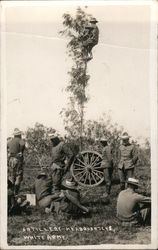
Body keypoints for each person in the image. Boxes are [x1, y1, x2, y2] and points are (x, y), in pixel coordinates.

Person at [7, 128, 25, 195]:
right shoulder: (20, 140)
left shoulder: (10, 141)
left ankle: (11, 192)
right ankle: (16, 192)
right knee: (18, 175)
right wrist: (21, 151)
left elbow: (7, 146)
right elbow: (23, 144)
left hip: (10, 159)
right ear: (19, 134)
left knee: (11, 175)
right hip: (17, 159)